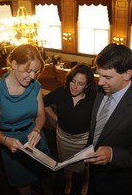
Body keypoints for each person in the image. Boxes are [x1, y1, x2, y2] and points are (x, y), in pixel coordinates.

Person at [84, 43, 132, 195]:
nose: (100, 82)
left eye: (107, 77)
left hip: (119, 185)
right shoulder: (101, 90)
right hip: (94, 176)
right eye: (99, 75)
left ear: (127, 74)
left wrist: (113, 155)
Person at [0, 44, 51, 195]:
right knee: (23, 184)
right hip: (12, 142)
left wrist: (36, 129)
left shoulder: (35, 86)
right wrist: (6, 141)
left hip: (35, 138)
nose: (33, 76)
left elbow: (41, 115)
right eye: (28, 71)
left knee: (44, 174)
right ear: (14, 64)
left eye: (35, 71)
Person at [43, 64, 97, 195]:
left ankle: (85, 182)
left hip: (83, 140)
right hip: (63, 138)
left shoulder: (93, 97)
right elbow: (43, 102)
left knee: (84, 165)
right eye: (73, 81)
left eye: (80, 83)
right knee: (65, 163)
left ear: (87, 85)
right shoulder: (61, 92)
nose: (75, 86)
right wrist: (55, 118)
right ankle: (68, 182)